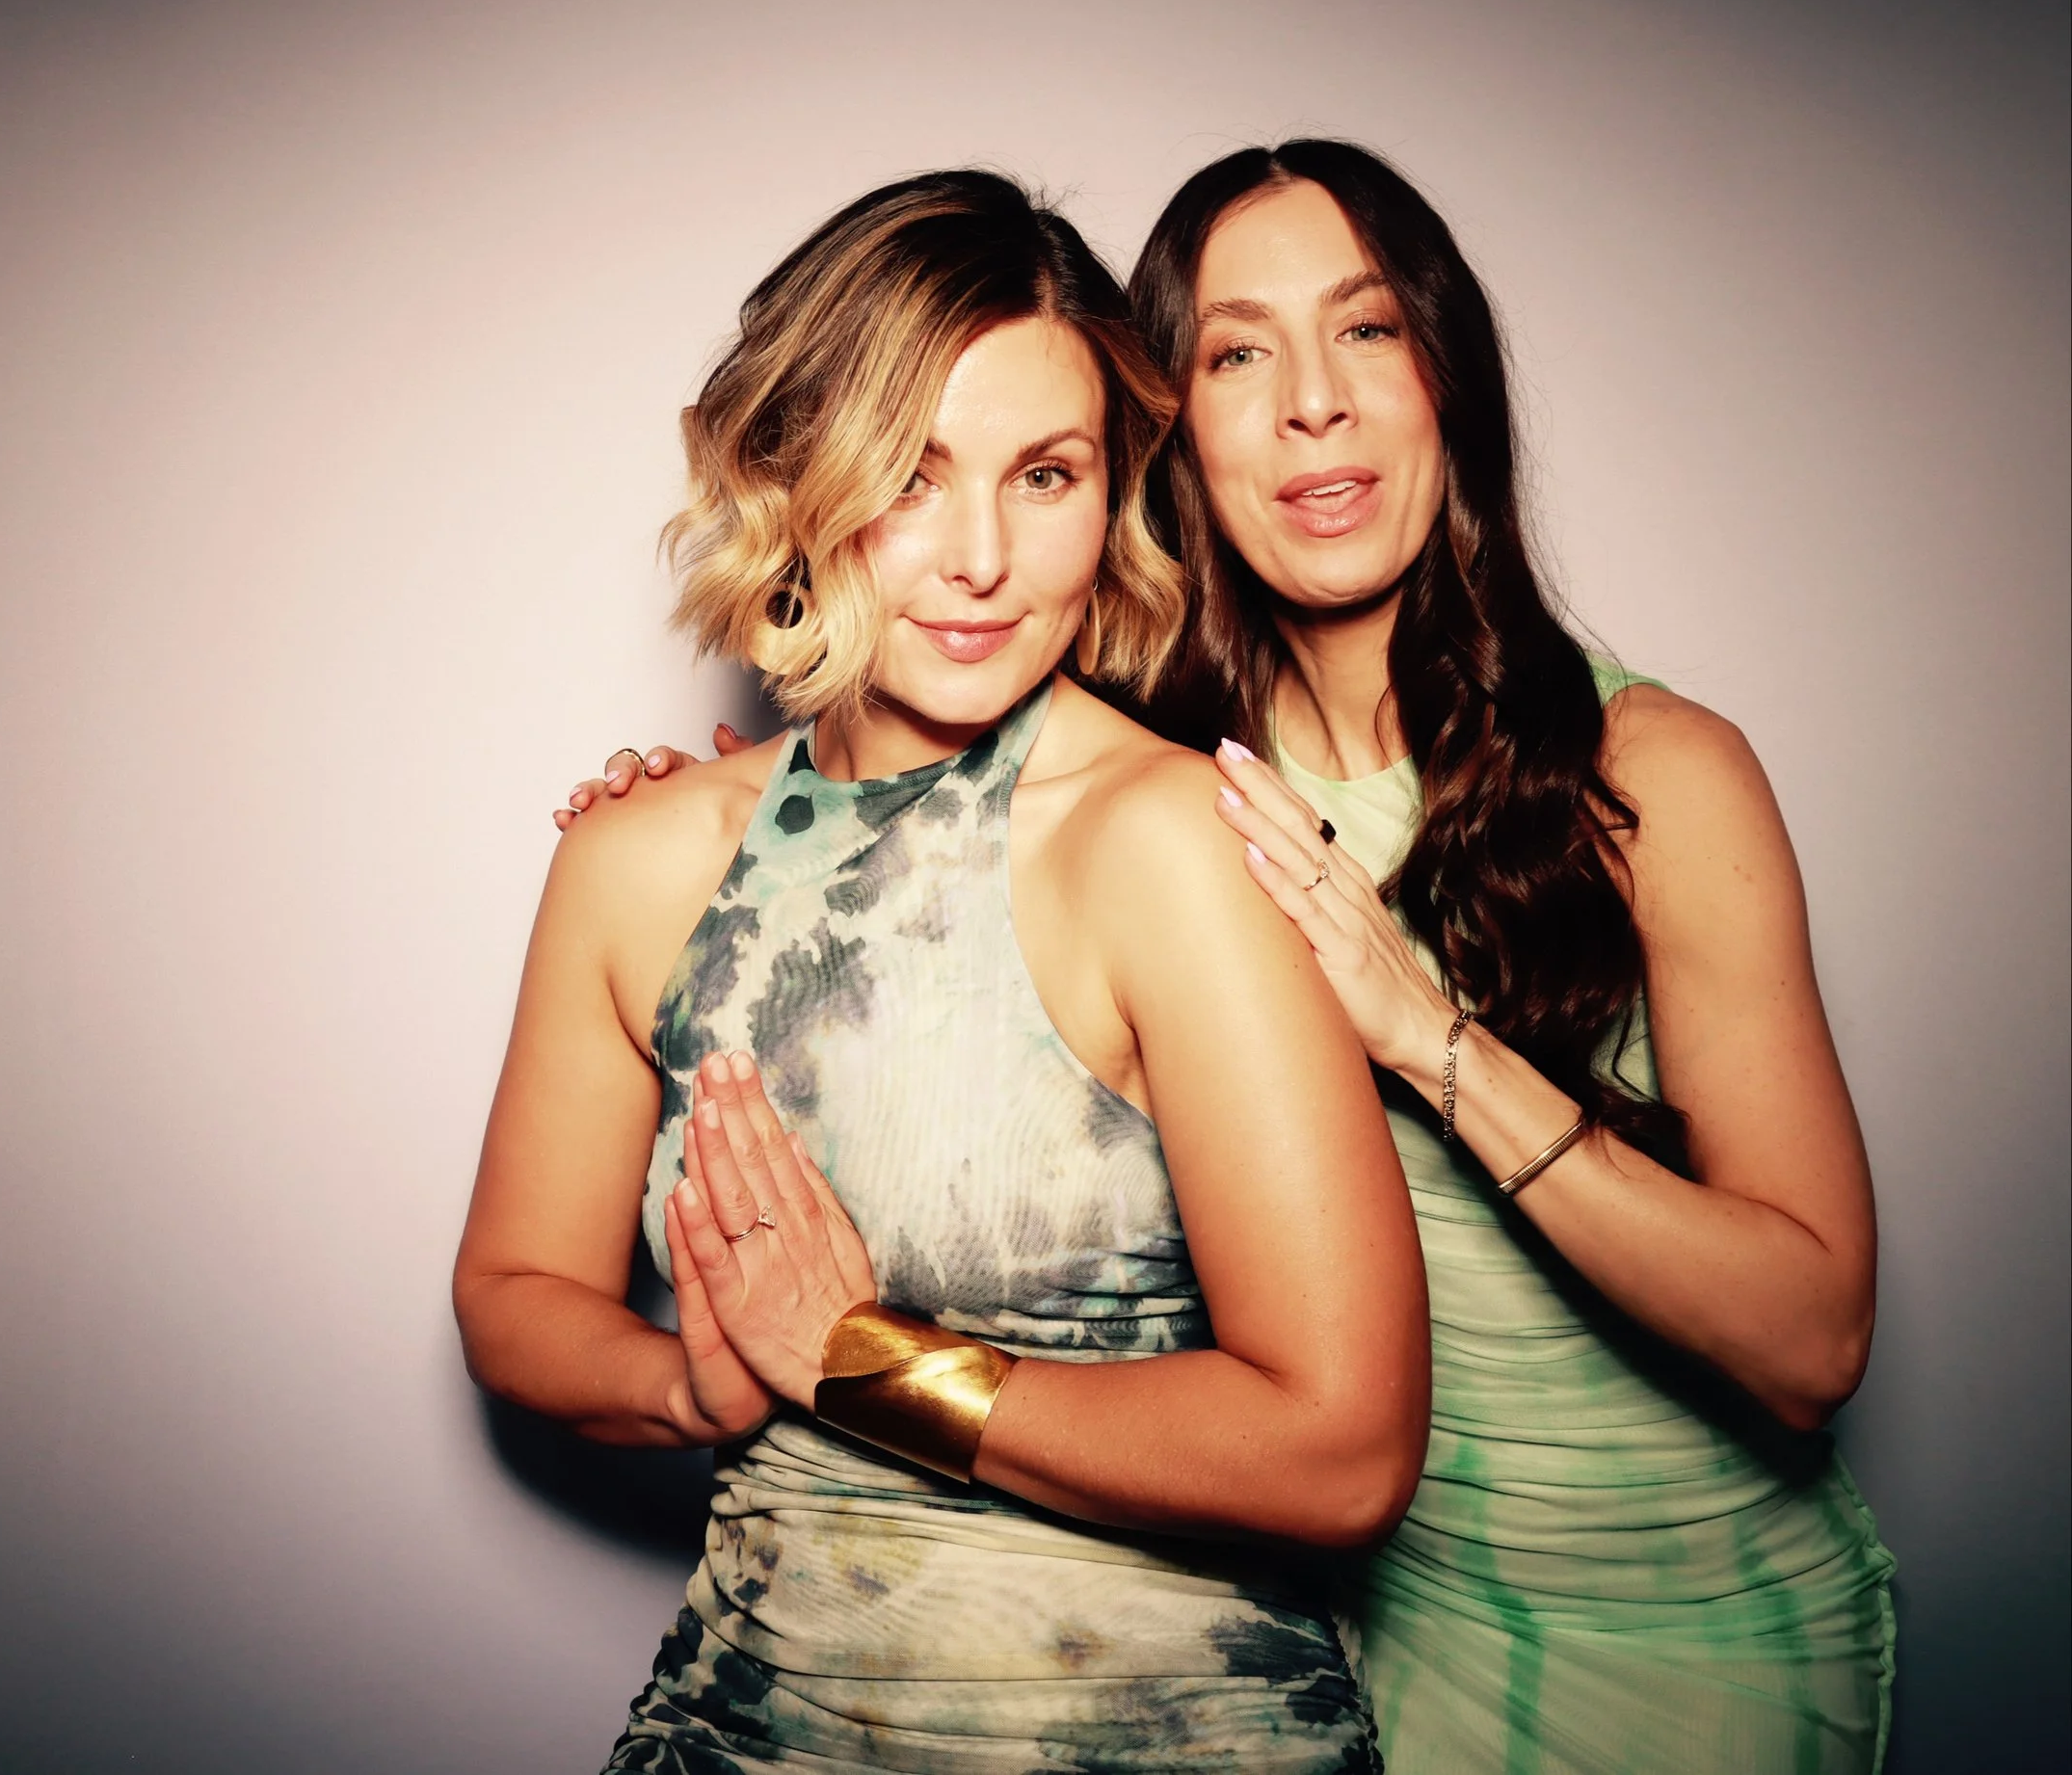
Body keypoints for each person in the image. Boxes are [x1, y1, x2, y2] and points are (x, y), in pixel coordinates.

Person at [569, 142, 1897, 1774]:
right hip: (1325, 1628)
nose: (1314, 406)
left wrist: (1433, 1041)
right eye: (1238, 355)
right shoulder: (1156, 777)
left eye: (1370, 332)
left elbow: (1816, 1338)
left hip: (1659, 1619)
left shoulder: (1657, 774)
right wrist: (731, 829)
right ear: (1165, 435)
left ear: (1451, 380)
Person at [458, 170, 1428, 1774]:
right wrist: (693, 1386)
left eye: (1044, 474)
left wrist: (859, 1359)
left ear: (1111, 492)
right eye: (912, 475)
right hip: (746, 1723)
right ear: (795, 474)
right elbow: (514, 1295)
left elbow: (1343, 1448)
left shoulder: (1167, 837)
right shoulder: (638, 855)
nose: (981, 556)